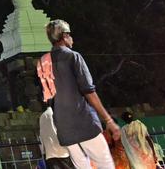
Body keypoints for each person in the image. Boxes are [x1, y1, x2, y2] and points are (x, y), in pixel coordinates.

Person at [45, 19, 120, 169]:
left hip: (64, 128)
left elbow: (48, 97)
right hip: (84, 123)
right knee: (106, 165)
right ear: (65, 36)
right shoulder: (73, 56)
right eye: (70, 35)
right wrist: (109, 121)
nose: (72, 39)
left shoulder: (43, 62)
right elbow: (89, 91)